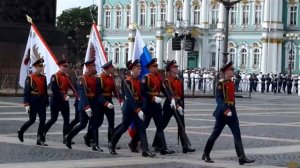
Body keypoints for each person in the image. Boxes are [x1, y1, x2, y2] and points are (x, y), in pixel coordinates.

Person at [202, 61, 255, 165]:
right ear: (226, 71)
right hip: (223, 113)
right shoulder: (221, 83)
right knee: (215, 134)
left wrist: (232, 110)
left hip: (232, 112)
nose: (233, 71)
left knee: (237, 134)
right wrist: (226, 110)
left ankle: (241, 157)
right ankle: (206, 154)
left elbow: (232, 98)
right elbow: (219, 99)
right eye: (231, 69)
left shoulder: (231, 82)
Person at [109, 59, 155, 157]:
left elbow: (143, 93)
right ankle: (112, 144)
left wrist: (153, 97)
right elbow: (129, 97)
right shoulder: (127, 81)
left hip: (138, 107)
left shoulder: (138, 80)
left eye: (140, 68)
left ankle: (145, 150)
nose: (140, 70)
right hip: (129, 109)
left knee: (142, 128)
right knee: (123, 127)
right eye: (138, 68)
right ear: (132, 69)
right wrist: (138, 110)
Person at [152, 60, 195, 153]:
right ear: (170, 69)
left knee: (181, 125)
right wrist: (176, 104)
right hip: (170, 105)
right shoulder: (167, 81)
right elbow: (169, 94)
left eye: (176, 67)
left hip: (178, 104)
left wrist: (182, 106)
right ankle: (156, 143)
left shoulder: (179, 80)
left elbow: (181, 95)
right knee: (163, 124)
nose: (176, 69)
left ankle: (185, 146)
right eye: (174, 67)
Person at [65, 59, 105, 151]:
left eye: (94, 66)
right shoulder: (81, 79)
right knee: (82, 125)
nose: (95, 68)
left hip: (93, 104)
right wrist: (86, 107)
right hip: (84, 105)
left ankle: (95, 144)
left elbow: (98, 93)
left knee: (94, 124)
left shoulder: (95, 79)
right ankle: (69, 137)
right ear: (87, 67)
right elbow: (82, 95)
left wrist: (103, 103)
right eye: (93, 66)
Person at [142, 58, 174, 155]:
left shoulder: (158, 78)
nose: (157, 68)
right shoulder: (146, 77)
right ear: (150, 68)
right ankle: (133, 142)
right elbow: (143, 92)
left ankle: (164, 148)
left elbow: (164, 90)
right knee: (144, 125)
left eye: (157, 66)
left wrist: (171, 98)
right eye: (155, 66)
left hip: (157, 105)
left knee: (160, 126)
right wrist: (152, 97)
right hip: (148, 105)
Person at [18, 58, 49, 146]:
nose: (41, 68)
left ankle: (39, 139)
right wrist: (26, 104)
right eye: (39, 66)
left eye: (41, 66)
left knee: (43, 120)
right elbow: (26, 92)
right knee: (32, 120)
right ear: (35, 67)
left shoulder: (44, 78)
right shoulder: (30, 78)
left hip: (41, 102)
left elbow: (45, 91)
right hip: (33, 101)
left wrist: (46, 102)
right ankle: (21, 130)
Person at [44, 59, 72, 144]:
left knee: (66, 120)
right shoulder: (55, 76)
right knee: (53, 119)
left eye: (67, 66)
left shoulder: (67, 77)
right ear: (60, 67)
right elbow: (54, 89)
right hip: (56, 101)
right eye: (64, 66)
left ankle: (66, 137)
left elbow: (72, 87)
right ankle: (43, 132)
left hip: (64, 101)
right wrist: (63, 96)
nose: (66, 68)